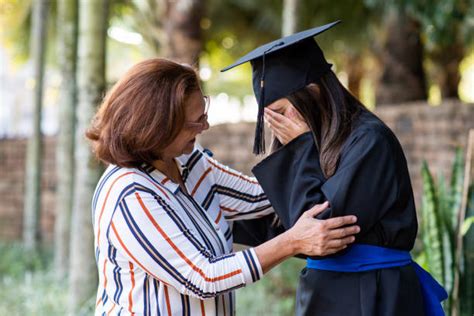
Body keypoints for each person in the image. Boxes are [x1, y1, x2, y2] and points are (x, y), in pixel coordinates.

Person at [86, 58, 361, 315]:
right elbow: (203, 278)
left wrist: (301, 146)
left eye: (203, 114)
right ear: (155, 127)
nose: (204, 126)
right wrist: (292, 242)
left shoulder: (189, 164)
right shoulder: (130, 193)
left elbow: (260, 197)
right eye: (194, 122)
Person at [222, 21, 447, 316]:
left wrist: (301, 147)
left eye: (279, 112)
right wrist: (219, 210)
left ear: (312, 92)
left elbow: (322, 227)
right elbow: (288, 225)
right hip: (325, 293)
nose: (276, 125)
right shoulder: (319, 144)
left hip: (374, 294)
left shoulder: (369, 141)